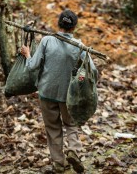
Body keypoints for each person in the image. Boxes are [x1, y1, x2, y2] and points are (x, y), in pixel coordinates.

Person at [20, 9, 98, 173]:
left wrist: (27, 54)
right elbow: (92, 72)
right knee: (71, 124)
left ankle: (59, 163)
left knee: (53, 128)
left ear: (58, 24)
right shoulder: (79, 46)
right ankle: (74, 151)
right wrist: (81, 78)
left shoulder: (47, 40)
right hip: (68, 95)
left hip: (47, 92)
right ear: (74, 28)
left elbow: (33, 66)